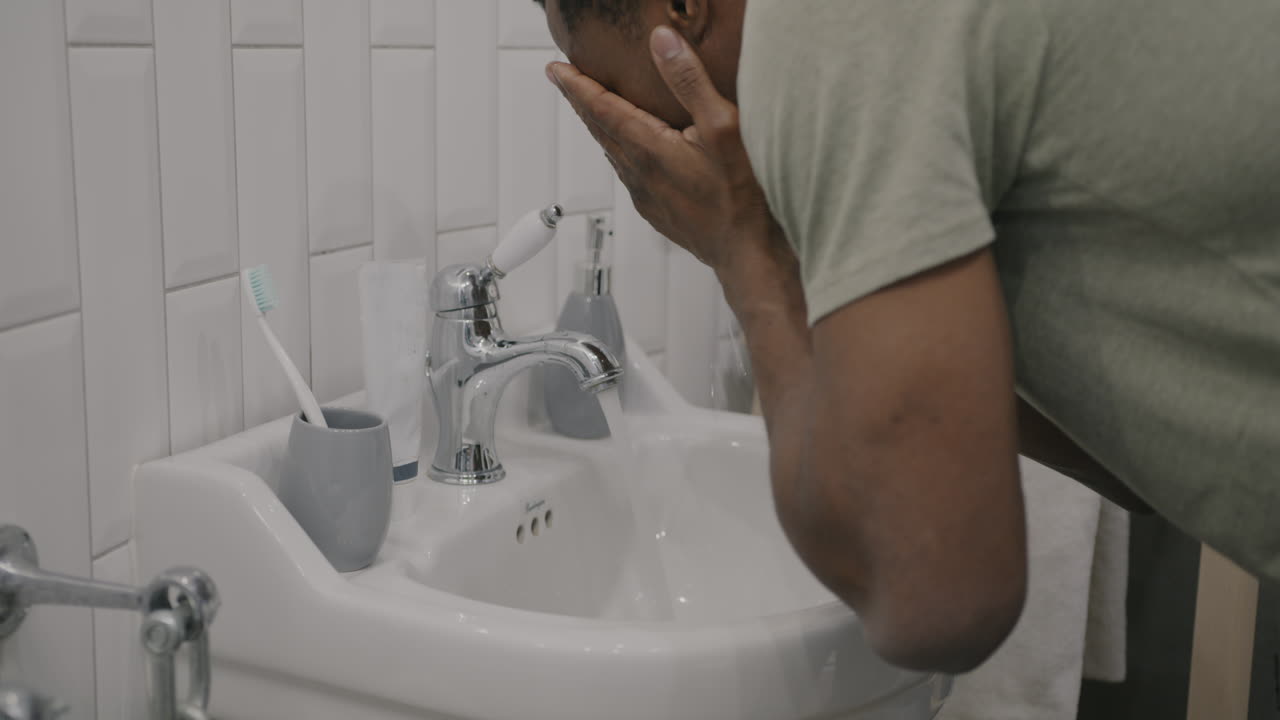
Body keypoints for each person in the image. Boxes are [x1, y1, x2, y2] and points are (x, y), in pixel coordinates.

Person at [535, 0, 1280, 673]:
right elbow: (1143, 454)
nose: (642, 147)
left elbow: (937, 596)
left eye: (614, 102)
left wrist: (742, 251)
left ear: (685, 11)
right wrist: (800, 271)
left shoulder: (822, 27)